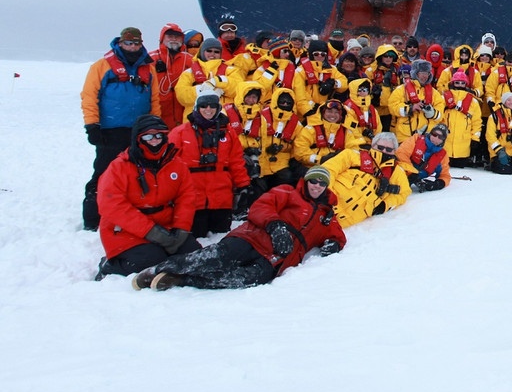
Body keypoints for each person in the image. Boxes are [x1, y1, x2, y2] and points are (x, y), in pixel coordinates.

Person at [133, 166, 345, 291]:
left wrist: (334, 244)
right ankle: (157, 270)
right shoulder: (288, 192)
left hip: (276, 258)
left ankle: (180, 280)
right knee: (215, 258)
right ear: (306, 181)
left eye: (321, 183)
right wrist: (275, 225)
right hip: (253, 237)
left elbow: (338, 235)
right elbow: (261, 206)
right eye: (313, 181)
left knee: (242, 279)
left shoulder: (326, 215)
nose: (316, 186)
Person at [96, 115, 201, 278]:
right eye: (148, 136)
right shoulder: (119, 167)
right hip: (126, 231)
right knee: (151, 260)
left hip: (166, 227)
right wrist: (150, 231)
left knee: (194, 256)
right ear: (138, 138)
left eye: (159, 135)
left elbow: (186, 197)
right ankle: (110, 266)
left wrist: (181, 228)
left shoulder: (176, 164)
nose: (155, 140)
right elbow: (111, 205)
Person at [81, 27, 161, 230]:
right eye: (128, 43)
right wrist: (92, 125)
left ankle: (130, 213)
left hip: (140, 131)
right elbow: (90, 96)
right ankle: (93, 218)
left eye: (136, 43)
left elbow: (154, 99)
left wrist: (156, 125)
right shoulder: (102, 66)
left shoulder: (148, 68)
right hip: (111, 130)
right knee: (104, 173)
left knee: (137, 173)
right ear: (120, 43)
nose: (132, 47)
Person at [170, 84, 252, 237]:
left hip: (221, 199)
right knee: (196, 239)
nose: (208, 109)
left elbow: (236, 162)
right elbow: (169, 165)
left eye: (213, 106)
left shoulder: (228, 133)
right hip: (193, 199)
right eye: (204, 106)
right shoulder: (180, 133)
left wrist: (243, 186)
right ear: (197, 107)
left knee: (220, 239)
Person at [324, 133, 409, 226]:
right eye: (380, 147)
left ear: (394, 151)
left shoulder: (396, 172)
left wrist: (385, 205)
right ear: (373, 145)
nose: (384, 151)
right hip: (324, 203)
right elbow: (328, 169)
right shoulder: (351, 155)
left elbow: (404, 193)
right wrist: (325, 193)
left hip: (345, 221)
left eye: (388, 149)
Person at [148, 24, 193, 129]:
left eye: (177, 37)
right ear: (162, 38)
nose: (174, 39)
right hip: (158, 113)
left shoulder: (190, 60)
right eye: (170, 36)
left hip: (183, 114)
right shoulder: (150, 59)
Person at [396, 122, 453, 192]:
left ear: (444, 140)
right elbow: (401, 154)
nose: (436, 138)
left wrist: (437, 184)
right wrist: (411, 173)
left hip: (416, 180)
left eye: (440, 137)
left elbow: (445, 176)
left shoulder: (443, 156)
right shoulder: (416, 139)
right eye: (434, 134)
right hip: (400, 174)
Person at [486, 92, 512, 174]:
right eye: (509, 100)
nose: (511, 102)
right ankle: (493, 163)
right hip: (498, 152)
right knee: (506, 171)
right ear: (504, 101)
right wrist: (499, 150)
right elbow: (490, 136)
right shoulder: (494, 116)